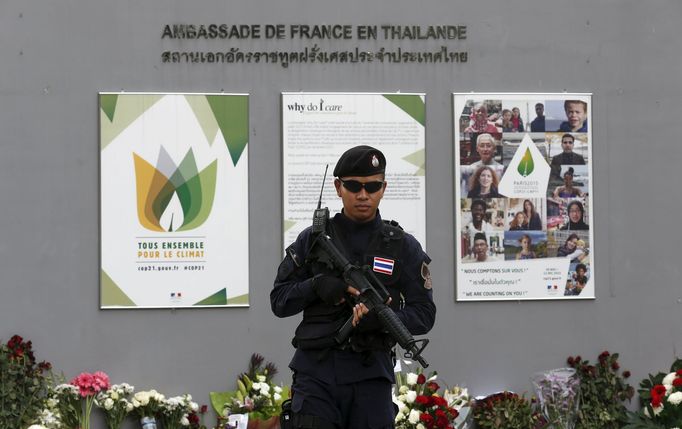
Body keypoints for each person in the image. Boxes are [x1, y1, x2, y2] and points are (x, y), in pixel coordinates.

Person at [271, 145, 436, 429]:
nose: (363, 194)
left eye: (372, 186)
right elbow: (279, 301)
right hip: (316, 374)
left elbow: (424, 314)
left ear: (383, 188)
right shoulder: (312, 239)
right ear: (338, 187)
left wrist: (382, 321)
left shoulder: (402, 246)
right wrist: (316, 285)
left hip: (371, 375)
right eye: (354, 186)